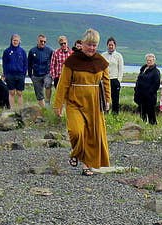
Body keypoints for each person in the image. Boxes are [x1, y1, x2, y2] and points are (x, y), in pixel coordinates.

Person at [53, 28, 110, 175]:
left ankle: (86, 166)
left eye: (94, 45)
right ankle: (76, 152)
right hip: (74, 103)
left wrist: (108, 100)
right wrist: (58, 104)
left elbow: (106, 82)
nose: (91, 48)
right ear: (82, 44)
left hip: (94, 103)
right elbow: (63, 84)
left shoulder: (101, 62)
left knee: (91, 135)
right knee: (76, 132)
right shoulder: (72, 61)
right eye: (89, 44)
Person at [133, 53, 159, 125]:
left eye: (150, 60)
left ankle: (153, 125)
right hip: (141, 95)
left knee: (151, 112)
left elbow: (156, 84)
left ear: (154, 61)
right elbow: (139, 80)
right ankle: (143, 124)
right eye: (147, 60)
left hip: (150, 96)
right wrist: (136, 89)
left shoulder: (156, 71)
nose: (149, 62)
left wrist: (150, 92)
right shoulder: (143, 69)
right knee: (142, 111)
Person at [27, 34, 52, 107]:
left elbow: (54, 61)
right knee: (39, 95)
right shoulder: (32, 51)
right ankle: (44, 109)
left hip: (46, 73)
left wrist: (52, 73)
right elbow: (29, 64)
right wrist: (30, 75)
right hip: (36, 75)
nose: (43, 43)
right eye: (41, 41)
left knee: (48, 85)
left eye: (44, 41)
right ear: (37, 41)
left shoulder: (50, 50)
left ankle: (47, 103)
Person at [1, 34, 26, 109]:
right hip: (10, 75)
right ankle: (12, 109)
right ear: (11, 41)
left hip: (20, 74)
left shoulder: (22, 51)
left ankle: (20, 109)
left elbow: (25, 63)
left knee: (19, 93)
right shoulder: (7, 51)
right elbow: (4, 64)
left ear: (19, 41)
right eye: (14, 40)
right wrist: (6, 74)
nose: (15, 42)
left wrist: (24, 73)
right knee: (11, 92)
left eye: (17, 40)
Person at [103, 37, 123, 114]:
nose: (110, 46)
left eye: (112, 45)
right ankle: (105, 113)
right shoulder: (103, 55)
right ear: (107, 45)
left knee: (115, 99)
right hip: (105, 79)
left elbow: (121, 69)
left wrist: (118, 80)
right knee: (105, 97)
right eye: (109, 45)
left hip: (114, 79)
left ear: (115, 46)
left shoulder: (118, 56)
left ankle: (115, 114)